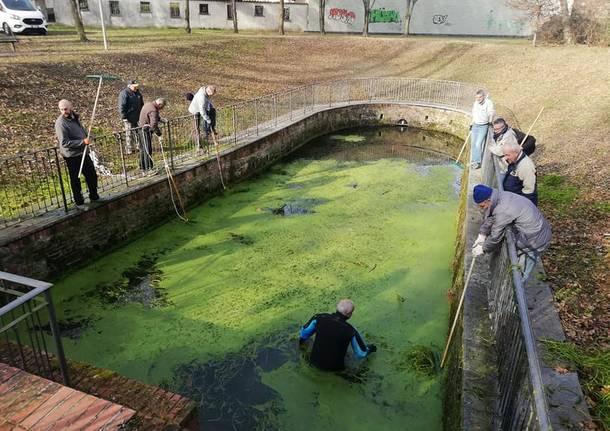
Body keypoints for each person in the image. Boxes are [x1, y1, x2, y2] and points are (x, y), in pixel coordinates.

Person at [472, 184, 551, 281]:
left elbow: (495, 236)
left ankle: (518, 290)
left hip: (535, 240)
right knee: (514, 259)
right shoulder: (501, 197)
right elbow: (493, 217)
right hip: (535, 230)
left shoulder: (504, 209)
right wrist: (482, 234)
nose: (482, 208)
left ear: (488, 200)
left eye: (482, 206)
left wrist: (483, 249)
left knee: (520, 271)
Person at [299, 299, 377, 371]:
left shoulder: (319, 318)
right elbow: (361, 354)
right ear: (350, 315)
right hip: (335, 369)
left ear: (336, 308)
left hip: (313, 362)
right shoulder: (351, 330)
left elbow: (304, 333)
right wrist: (371, 348)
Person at [55, 99, 99, 210]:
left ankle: (94, 196)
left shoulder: (75, 117)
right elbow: (64, 143)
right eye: (61, 109)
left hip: (83, 152)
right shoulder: (60, 123)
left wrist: (87, 136)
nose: (64, 111)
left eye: (65, 109)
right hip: (71, 155)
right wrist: (82, 142)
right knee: (76, 179)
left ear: (71, 107)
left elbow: (81, 132)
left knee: (91, 174)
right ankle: (79, 202)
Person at [502, 141, 538, 206]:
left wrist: (524, 206)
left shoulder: (526, 166)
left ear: (516, 153)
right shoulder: (514, 160)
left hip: (521, 203)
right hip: (513, 199)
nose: (505, 158)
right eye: (504, 155)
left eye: (507, 155)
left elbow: (529, 189)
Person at [138, 97, 167, 172]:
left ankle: (142, 167)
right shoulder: (153, 109)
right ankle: (148, 168)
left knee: (143, 149)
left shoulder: (149, 104)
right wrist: (159, 134)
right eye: (161, 107)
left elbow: (152, 116)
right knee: (147, 149)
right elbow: (153, 125)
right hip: (145, 130)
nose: (161, 109)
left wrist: (160, 119)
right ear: (159, 104)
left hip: (140, 129)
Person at [470, 90, 495, 170]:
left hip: (483, 125)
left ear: (483, 96)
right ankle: (473, 161)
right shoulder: (475, 103)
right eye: (477, 97)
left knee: (478, 144)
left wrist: (490, 122)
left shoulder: (488, 103)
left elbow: (491, 113)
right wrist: (471, 123)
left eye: (480, 97)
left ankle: (478, 163)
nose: (478, 99)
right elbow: (474, 114)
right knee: (473, 144)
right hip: (475, 125)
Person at [118, 79, 144, 155]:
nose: (136, 88)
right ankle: (129, 149)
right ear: (129, 86)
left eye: (136, 86)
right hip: (128, 118)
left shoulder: (138, 93)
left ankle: (139, 146)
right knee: (129, 133)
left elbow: (142, 104)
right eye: (134, 86)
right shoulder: (124, 93)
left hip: (138, 117)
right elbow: (121, 106)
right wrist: (124, 117)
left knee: (138, 133)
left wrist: (142, 113)